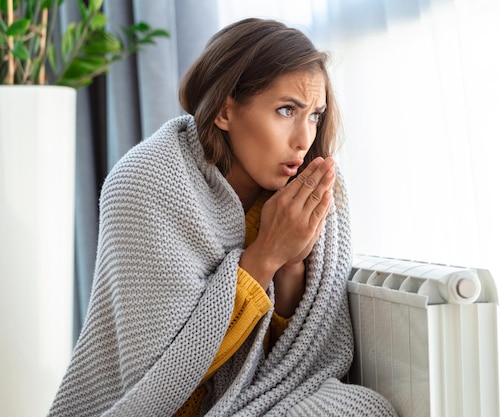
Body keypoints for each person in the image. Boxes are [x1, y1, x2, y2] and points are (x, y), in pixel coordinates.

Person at [48, 18, 397, 417]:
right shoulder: (145, 181)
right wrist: (266, 253)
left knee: (364, 407)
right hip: (164, 408)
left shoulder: (308, 192)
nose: (304, 139)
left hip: (258, 396)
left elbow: (299, 359)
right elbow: (162, 378)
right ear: (225, 109)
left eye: (315, 115)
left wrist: (293, 263)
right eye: (286, 110)